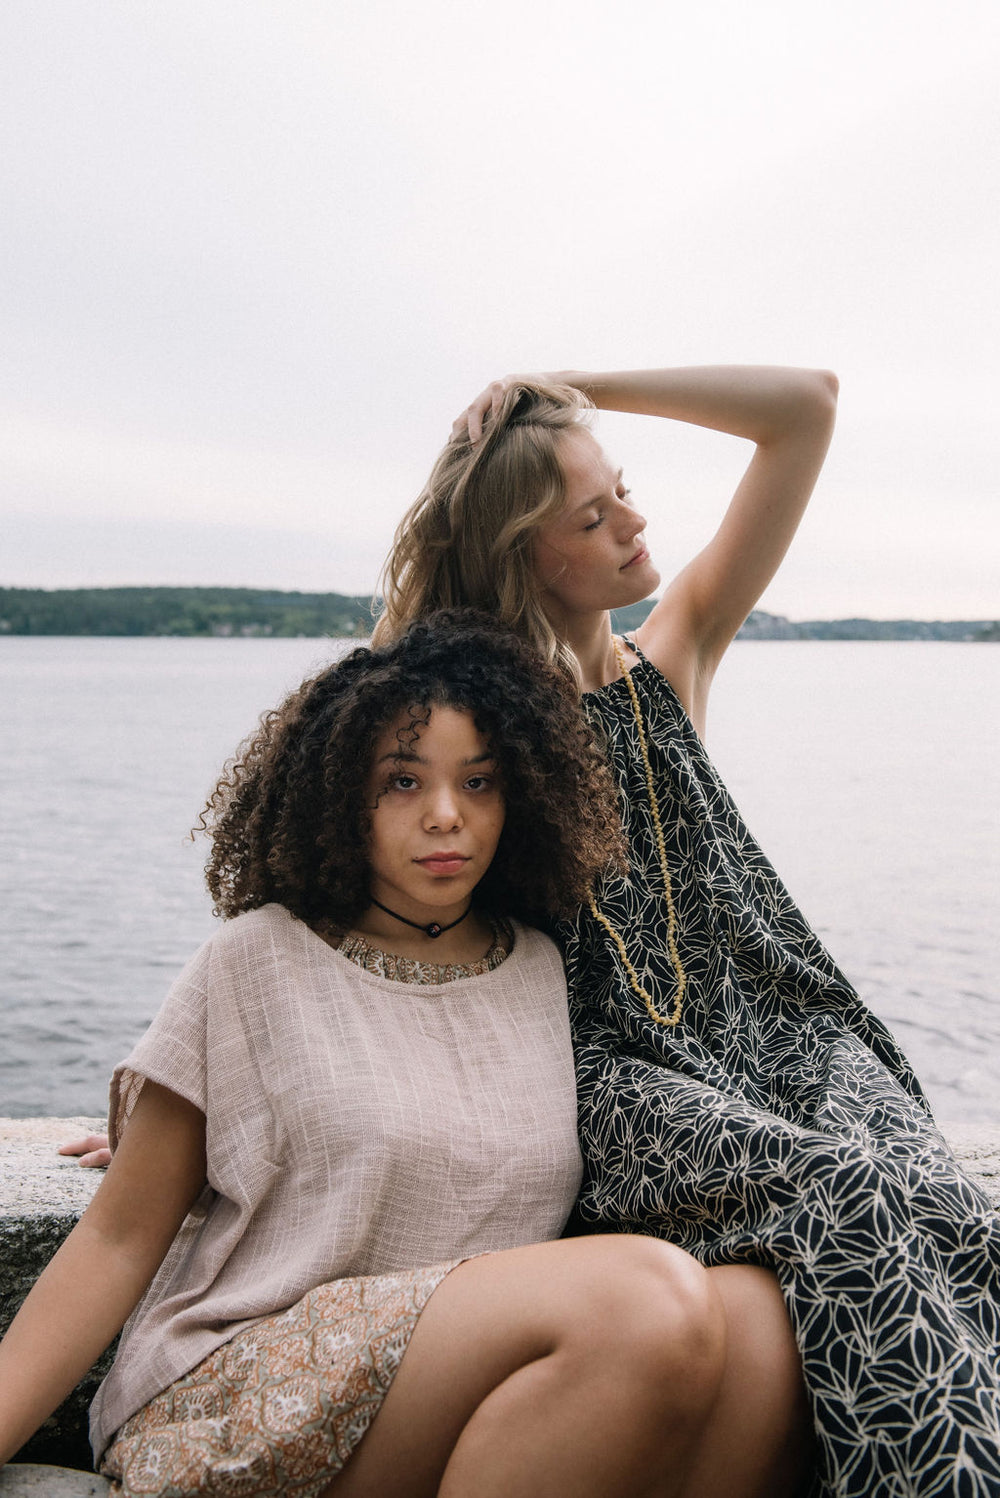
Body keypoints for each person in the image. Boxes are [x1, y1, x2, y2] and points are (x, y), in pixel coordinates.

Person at [1, 612, 811, 1498]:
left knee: (763, 1326)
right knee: (647, 1295)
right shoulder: (258, 961)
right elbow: (117, 1241)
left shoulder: (544, 969)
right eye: (402, 781)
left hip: (449, 1399)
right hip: (243, 1388)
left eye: (479, 781)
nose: (444, 816)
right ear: (341, 795)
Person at [370, 369, 1000, 1498]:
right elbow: (355, 901)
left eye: (624, 490)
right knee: (845, 1196)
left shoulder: (675, 657)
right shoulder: (487, 743)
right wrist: (204, 1094)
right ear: (528, 557)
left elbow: (804, 406)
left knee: (944, 1202)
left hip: (793, 1039)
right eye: (592, 515)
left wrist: (574, 381)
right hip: (624, 1081)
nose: (633, 520)